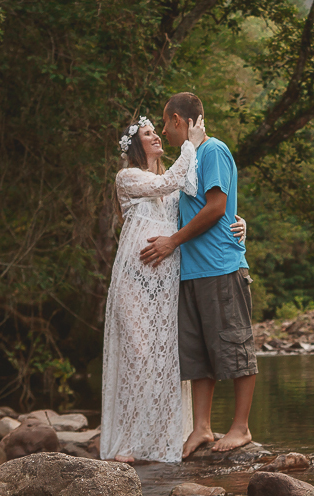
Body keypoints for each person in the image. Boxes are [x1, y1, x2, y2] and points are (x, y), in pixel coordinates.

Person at [100, 113, 245, 463]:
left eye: (157, 131)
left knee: (166, 357)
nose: (157, 137)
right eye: (149, 133)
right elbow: (168, 182)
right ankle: (128, 443)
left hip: (166, 279)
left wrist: (239, 222)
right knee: (138, 354)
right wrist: (192, 146)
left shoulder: (173, 180)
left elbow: (204, 205)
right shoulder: (129, 177)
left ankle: (162, 436)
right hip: (136, 276)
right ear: (135, 144)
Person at [140, 92, 257, 458]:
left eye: (164, 122)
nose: (162, 130)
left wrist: (172, 242)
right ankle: (202, 428)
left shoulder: (213, 151)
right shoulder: (187, 159)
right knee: (197, 354)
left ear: (178, 119)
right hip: (191, 272)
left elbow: (217, 207)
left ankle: (241, 428)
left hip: (221, 267)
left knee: (235, 346)